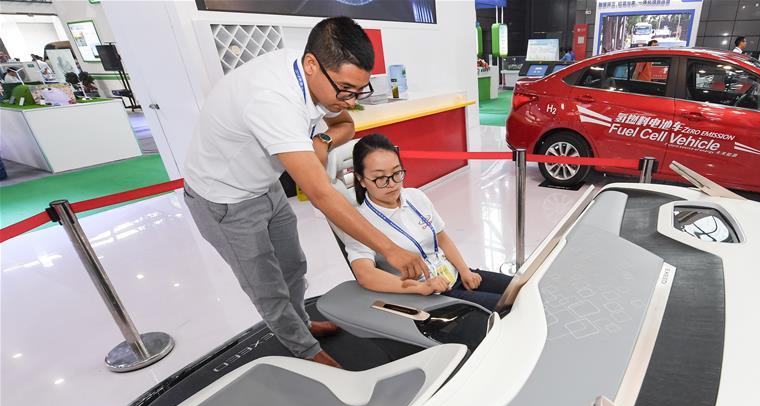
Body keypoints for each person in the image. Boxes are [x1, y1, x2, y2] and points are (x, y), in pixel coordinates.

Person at [182, 17, 428, 370]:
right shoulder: (272, 99)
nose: (350, 101)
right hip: (224, 200)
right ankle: (305, 349)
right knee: (266, 285)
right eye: (345, 90)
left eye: (358, 91)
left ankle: (301, 321)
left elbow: (345, 125)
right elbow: (321, 194)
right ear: (312, 65)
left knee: (293, 265)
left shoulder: (312, 72)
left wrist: (322, 140)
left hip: (264, 185)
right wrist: (390, 248)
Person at [343, 134, 513, 312]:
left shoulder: (415, 196)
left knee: (520, 289)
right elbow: (365, 275)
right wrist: (421, 287)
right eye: (380, 178)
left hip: (452, 274)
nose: (392, 184)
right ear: (361, 180)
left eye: (396, 173)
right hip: (430, 296)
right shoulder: (359, 222)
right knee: (509, 309)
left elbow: (442, 238)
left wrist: (465, 271)